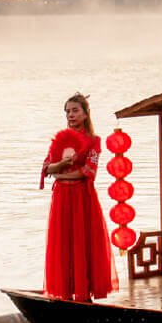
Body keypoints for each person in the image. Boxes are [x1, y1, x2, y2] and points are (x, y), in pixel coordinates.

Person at [40, 92, 119, 301]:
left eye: (75, 110)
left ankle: (84, 293)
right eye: (67, 111)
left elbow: (90, 171)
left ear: (86, 114)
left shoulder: (93, 141)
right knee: (62, 243)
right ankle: (66, 292)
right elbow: (47, 167)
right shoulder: (59, 139)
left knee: (83, 242)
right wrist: (61, 167)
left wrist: (60, 172)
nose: (71, 115)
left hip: (81, 197)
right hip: (62, 197)